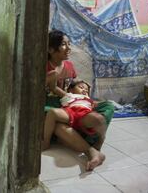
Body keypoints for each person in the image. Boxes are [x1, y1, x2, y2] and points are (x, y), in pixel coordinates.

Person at [43, 29, 114, 171]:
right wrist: (47, 80)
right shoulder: (43, 66)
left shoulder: (69, 66)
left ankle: (92, 135)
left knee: (108, 106)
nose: (69, 48)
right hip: (50, 106)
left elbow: (72, 86)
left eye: (69, 44)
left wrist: (82, 88)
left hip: (69, 104)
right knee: (57, 124)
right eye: (64, 44)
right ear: (51, 49)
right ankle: (91, 150)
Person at [43, 80, 107, 155]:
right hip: (69, 112)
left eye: (86, 90)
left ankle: (100, 140)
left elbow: (104, 105)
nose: (84, 90)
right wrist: (54, 76)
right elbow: (54, 87)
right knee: (52, 112)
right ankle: (46, 142)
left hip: (84, 114)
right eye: (81, 87)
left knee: (99, 118)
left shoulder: (89, 100)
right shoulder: (68, 95)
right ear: (71, 89)